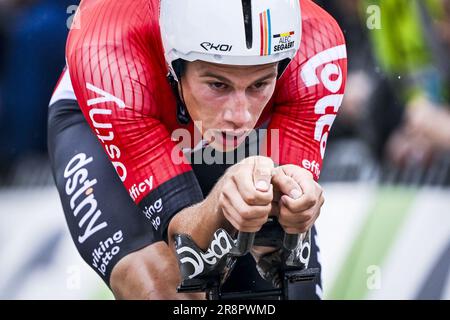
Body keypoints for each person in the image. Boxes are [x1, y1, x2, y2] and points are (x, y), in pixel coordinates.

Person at [48, 0, 347, 299]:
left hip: (220, 126)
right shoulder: (107, 49)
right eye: (218, 84)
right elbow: (182, 239)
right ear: (174, 65)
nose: (239, 115)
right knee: (162, 288)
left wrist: (293, 206)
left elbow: (280, 231)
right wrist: (219, 206)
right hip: (119, 105)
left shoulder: (316, 43)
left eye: (260, 84)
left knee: (292, 285)